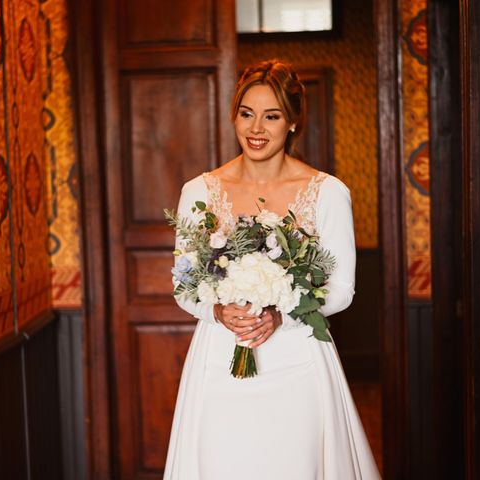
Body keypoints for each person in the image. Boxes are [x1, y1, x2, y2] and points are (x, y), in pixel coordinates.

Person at [163, 59, 381, 480]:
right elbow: (185, 285)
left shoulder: (327, 193)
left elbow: (342, 289)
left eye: (272, 115)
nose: (256, 128)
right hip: (220, 362)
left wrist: (283, 312)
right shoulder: (199, 191)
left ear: (293, 122)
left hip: (297, 359)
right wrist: (217, 311)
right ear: (234, 116)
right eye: (246, 114)